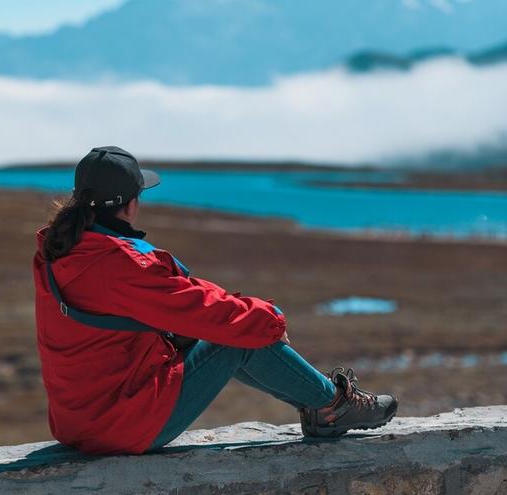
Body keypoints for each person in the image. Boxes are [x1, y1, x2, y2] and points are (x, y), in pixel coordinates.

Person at [32, 145, 398, 455]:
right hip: (118, 426)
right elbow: (205, 311)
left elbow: (180, 299)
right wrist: (270, 319)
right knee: (235, 337)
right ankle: (334, 407)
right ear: (130, 205)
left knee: (232, 326)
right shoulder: (119, 264)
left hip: (79, 418)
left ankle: (325, 404)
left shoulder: (62, 248)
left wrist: (249, 316)